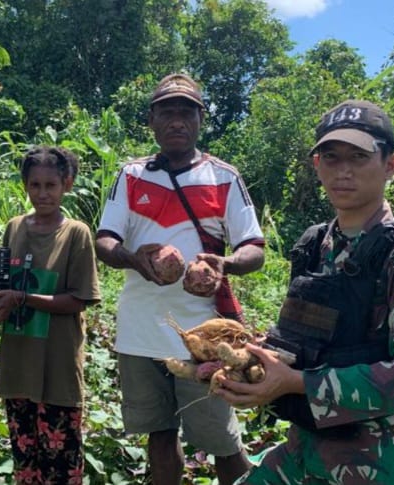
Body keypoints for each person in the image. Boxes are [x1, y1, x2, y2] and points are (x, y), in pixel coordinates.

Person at [214, 100, 394, 485]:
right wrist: (254, 358)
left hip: (374, 463)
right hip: (304, 447)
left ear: (391, 164)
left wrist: (297, 383)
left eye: (358, 156)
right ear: (316, 164)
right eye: (330, 156)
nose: (343, 170)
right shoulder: (315, 244)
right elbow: (304, 341)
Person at [95, 73, 265, 485]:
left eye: (185, 112)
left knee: (222, 441)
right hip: (140, 330)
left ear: (199, 120)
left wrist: (226, 264)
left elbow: (254, 249)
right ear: (151, 120)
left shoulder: (224, 177)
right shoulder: (132, 175)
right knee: (159, 436)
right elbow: (104, 241)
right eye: (166, 112)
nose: (176, 121)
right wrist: (135, 260)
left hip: (207, 337)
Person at [0, 146, 101, 484]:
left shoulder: (76, 233)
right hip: (18, 366)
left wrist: (22, 298)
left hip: (58, 367)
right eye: (35, 185)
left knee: (61, 466)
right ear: (25, 186)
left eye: (51, 185)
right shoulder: (14, 227)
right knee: (25, 463)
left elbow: (79, 299)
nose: (43, 193)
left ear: (67, 184)